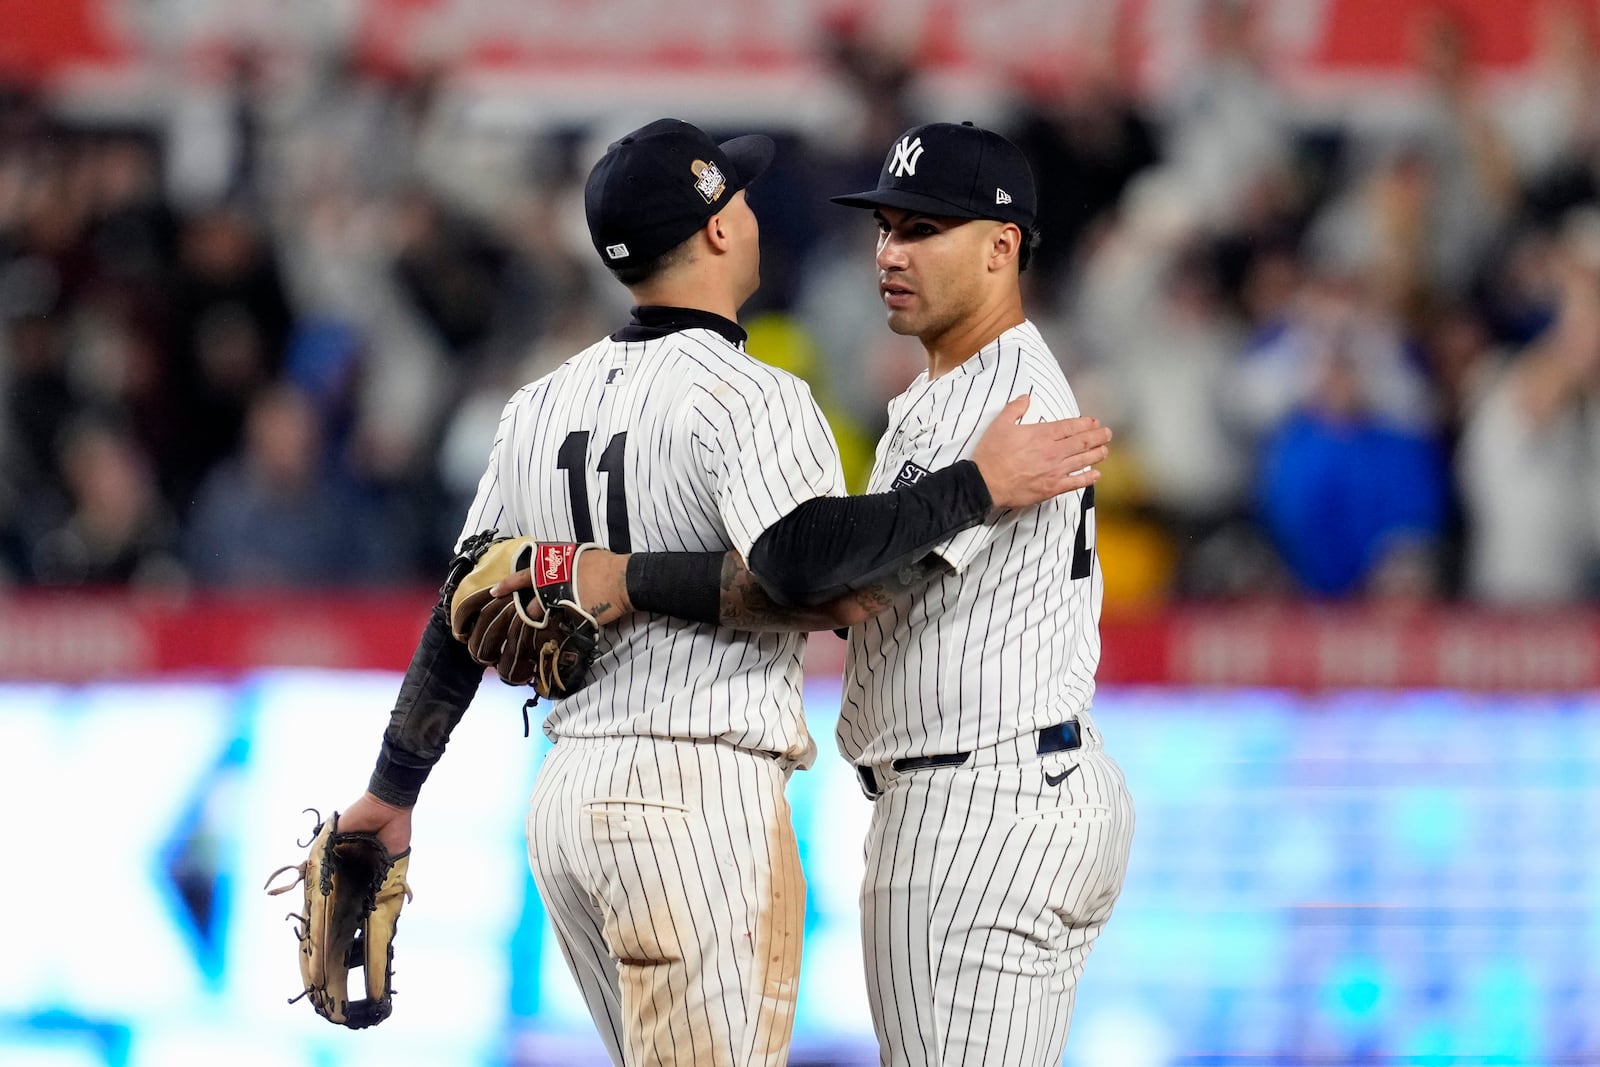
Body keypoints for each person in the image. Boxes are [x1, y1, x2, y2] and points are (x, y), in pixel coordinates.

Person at [325, 117, 1112, 1067]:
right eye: (735, 195)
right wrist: (972, 485)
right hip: (702, 797)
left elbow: (464, 601)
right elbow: (815, 574)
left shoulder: (537, 404)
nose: (886, 251)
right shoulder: (755, 394)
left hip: (574, 800)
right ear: (719, 232)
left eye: (917, 230)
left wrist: (394, 785)